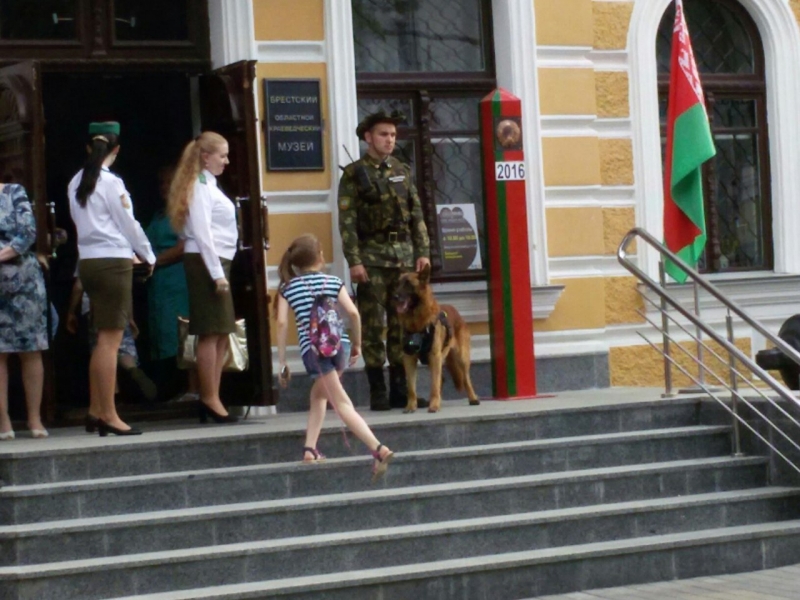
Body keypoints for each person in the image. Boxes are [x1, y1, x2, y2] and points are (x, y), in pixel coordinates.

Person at [274, 234, 394, 481]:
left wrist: (283, 360)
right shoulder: (333, 282)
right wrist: (357, 343)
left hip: (315, 354)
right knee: (318, 395)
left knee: (341, 403)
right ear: (320, 257)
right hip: (341, 348)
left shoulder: (288, 288)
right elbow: (353, 314)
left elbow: (282, 322)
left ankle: (378, 449)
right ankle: (309, 449)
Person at [338, 110, 431, 411]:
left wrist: (423, 251)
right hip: (372, 259)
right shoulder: (354, 175)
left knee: (400, 324)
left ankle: (400, 390)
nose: (389, 140)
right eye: (383, 134)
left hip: (402, 259)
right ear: (368, 137)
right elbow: (347, 222)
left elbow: (416, 213)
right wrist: (354, 260)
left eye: (392, 135)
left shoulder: (402, 169)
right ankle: (377, 390)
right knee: (373, 325)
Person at [68, 121, 156, 436]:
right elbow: (128, 223)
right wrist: (148, 254)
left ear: (88, 147)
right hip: (112, 262)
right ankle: (109, 413)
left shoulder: (76, 180)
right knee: (110, 341)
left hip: (88, 261)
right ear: (116, 150)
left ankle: (96, 410)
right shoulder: (111, 182)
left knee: (101, 341)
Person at [167, 131, 238, 424]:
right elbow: (203, 233)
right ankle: (209, 397)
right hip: (207, 263)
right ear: (205, 157)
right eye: (222, 155)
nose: (227, 161)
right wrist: (217, 274)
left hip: (216, 261)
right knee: (211, 330)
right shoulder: (199, 185)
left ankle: (213, 396)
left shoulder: (209, 184)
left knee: (221, 330)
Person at [0, 182, 49, 439]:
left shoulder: (14, 192)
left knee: (31, 349)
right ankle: (3, 421)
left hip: (24, 282)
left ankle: (35, 418)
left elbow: (29, 232)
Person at [145, 166, 198, 402]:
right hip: (159, 283)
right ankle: (170, 389)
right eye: (161, 184)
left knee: (183, 332)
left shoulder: (185, 212)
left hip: (179, 280)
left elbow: (184, 246)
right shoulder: (158, 215)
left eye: (170, 183)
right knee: (163, 335)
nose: (165, 188)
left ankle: (193, 388)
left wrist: (155, 261)